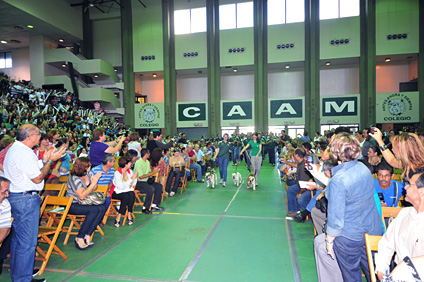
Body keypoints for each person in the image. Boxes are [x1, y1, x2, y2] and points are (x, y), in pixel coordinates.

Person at [4, 124, 65, 281]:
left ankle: (20, 277)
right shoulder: (23, 152)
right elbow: (37, 178)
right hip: (26, 199)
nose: (40, 137)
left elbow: (30, 171)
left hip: (17, 196)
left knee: (19, 242)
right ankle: (23, 279)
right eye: (38, 134)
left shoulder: (17, 150)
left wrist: (43, 160)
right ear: (29, 136)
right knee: (27, 243)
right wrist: (49, 162)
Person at [325, 132, 383, 282]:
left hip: (350, 236)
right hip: (372, 229)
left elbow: (336, 218)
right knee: (374, 272)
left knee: (351, 275)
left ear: (335, 153)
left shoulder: (338, 180)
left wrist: (329, 241)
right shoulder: (364, 169)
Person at [375, 172, 424, 281]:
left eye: (409, 184)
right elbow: (386, 245)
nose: (405, 187)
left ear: (422, 192)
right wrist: (381, 271)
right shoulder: (404, 214)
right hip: (396, 275)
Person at [66, 157, 106, 250]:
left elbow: (94, 188)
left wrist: (94, 181)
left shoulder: (87, 174)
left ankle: (88, 234)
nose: (90, 167)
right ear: (82, 167)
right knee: (93, 210)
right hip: (74, 204)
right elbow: (81, 196)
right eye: (88, 166)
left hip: (85, 202)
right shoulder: (74, 179)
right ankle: (79, 237)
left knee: (102, 208)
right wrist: (93, 183)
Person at [134, 148, 164, 214]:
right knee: (150, 189)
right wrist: (153, 172)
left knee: (159, 186)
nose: (149, 154)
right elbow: (141, 177)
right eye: (148, 153)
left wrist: (153, 172)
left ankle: (154, 205)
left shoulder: (147, 162)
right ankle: (145, 208)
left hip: (146, 181)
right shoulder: (138, 163)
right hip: (139, 183)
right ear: (146, 154)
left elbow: (148, 173)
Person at [111, 156, 137, 227]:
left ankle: (129, 213)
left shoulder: (130, 171)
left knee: (132, 194)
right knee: (125, 196)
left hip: (127, 191)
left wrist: (130, 182)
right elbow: (120, 187)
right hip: (116, 192)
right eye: (129, 163)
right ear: (125, 164)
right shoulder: (117, 173)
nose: (131, 164)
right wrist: (131, 180)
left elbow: (134, 183)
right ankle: (119, 215)